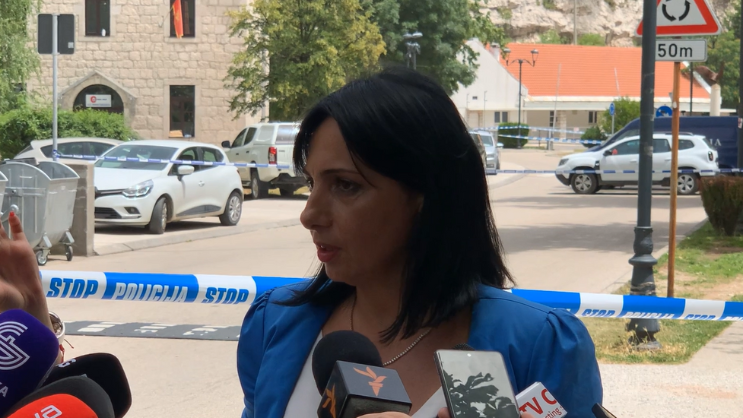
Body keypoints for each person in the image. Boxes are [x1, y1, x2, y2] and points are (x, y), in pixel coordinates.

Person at [237, 67, 602, 418]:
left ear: (426, 196)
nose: (309, 215)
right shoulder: (275, 324)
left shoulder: (539, 347)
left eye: (345, 185)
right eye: (311, 183)